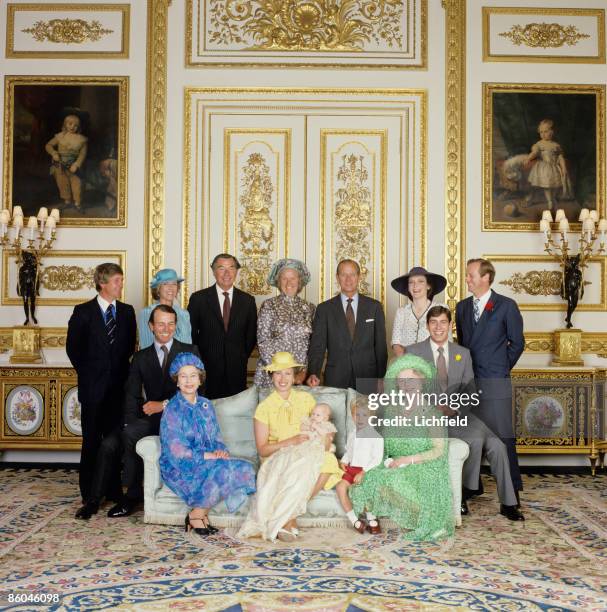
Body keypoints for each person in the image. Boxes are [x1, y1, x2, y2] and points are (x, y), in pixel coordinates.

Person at [407, 305, 524, 521]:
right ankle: (461, 493)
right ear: (427, 326)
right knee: (475, 438)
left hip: (458, 415)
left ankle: (508, 503)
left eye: (443, 322)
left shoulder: (463, 354)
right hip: (428, 418)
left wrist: (457, 408)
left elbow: (470, 390)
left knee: (498, 445)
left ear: (451, 326)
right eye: (433, 323)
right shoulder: (413, 352)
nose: (438, 327)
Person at [238, 352, 343, 542]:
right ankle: (286, 520)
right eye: (278, 373)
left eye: (287, 373)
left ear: (294, 376)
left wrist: (326, 440)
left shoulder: (306, 399)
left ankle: (288, 517)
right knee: (294, 466)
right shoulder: (265, 408)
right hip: (278, 454)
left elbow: (322, 427)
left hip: (306, 451)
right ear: (271, 376)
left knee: (328, 460)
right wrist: (291, 441)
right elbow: (262, 449)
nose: (283, 378)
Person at [107, 304, 200, 518]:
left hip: (181, 418)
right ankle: (132, 495)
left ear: (176, 326)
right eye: (161, 324)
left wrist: (164, 404)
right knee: (130, 432)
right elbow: (131, 394)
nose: (166, 329)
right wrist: (131, 420)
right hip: (154, 419)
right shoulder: (140, 357)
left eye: (170, 324)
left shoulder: (190, 351)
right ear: (151, 326)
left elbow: (198, 390)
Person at [350, 354, 454, 541]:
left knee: (393, 480)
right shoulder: (391, 410)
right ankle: (371, 519)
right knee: (368, 478)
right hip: (394, 462)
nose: (406, 386)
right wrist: (381, 461)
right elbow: (381, 442)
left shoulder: (431, 413)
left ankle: (429, 517)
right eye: (401, 381)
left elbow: (439, 450)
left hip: (422, 464)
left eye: (411, 380)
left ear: (422, 381)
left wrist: (407, 460)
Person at [66, 263, 136, 519]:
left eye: (121, 279)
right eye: (117, 280)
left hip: (119, 389)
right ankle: (89, 494)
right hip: (93, 390)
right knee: (92, 441)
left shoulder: (127, 312)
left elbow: (128, 348)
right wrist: (91, 376)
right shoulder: (83, 312)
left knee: (114, 442)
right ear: (103, 283)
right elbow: (73, 350)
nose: (120, 284)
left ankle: (113, 490)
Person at [159, 352, 256, 536]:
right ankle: (197, 516)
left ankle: (198, 514)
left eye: (193, 375)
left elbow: (216, 437)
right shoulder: (172, 409)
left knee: (245, 468)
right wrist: (207, 456)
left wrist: (220, 451)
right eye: (183, 376)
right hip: (180, 465)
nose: (188, 381)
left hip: (208, 459)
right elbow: (176, 450)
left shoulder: (206, 405)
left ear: (200, 379)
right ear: (177, 381)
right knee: (222, 470)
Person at [455, 258, 525, 500]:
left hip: (495, 383)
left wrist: (500, 370)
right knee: (470, 436)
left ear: (485, 278)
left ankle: (513, 493)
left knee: (503, 437)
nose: (467, 279)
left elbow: (517, 344)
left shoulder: (506, 306)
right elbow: (463, 346)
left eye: (470, 275)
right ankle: (471, 487)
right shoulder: (462, 307)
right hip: (469, 384)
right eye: (467, 275)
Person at [307, 259, 387, 392]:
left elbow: (380, 346)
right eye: (344, 274)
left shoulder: (374, 307)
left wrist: (381, 377)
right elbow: (318, 345)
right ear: (337, 278)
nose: (348, 279)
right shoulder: (324, 309)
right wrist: (313, 372)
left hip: (368, 376)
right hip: (336, 376)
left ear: (359, 277)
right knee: (336, 413)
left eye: (352, 274)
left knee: (366, 413)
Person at [188, 253, 257, 399]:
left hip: (237, 369)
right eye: (221, 268)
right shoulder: (198, 299)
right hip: (207, 368)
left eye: (231, 268)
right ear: (213, 271)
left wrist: (241, 355)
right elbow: (191, 334)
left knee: (234, 412)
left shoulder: (248, 301)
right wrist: (199, 360)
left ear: (236, 271)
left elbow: (251, 335)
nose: (227, 273)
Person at [254, 258, 315, 387]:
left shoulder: (310, 308)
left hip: (301, 376)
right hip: (274, 375)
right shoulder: (269, 305)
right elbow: (263, 342)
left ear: (300, 281)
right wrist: (283, 374)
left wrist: (303, 372)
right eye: (284, 278)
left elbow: (314, 344)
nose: (289, 282)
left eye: (293, 278)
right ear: (278, 281)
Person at [335, 395, 384, 534]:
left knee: (364, 489)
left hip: (367, 470)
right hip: (352, 469)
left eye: (364, 415)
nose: (360, 418)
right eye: (357, 415)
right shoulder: (352, 434)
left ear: (371, 416)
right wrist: (344, 460)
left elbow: (377, 458)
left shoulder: (376, 437)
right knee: (340, 487)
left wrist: (364, 472)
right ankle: (355, 521)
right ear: (352, 415)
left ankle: (372, 519)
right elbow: (348, 451)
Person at [390, 266, 449, 355]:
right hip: (405, 363)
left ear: (428, 285)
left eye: (420, 281)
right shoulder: (401, 312)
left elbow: (447, 341)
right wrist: (408, 363)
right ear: (408, 287)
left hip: (433, 363)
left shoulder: (441, 308)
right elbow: (396, 343)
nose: (415, 286)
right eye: (411, 282)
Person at [138, 269, 192, 349]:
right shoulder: (147, 312)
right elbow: (146, 345)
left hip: (183, 360)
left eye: (174, 284)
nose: (171, 288)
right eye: (166, 284)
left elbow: (188, 344)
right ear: (158, 289)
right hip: (157, 360)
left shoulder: (184, 314)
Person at [525, 118, 573, 209]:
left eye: (545, 131)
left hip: (554, 168)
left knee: (554, 185)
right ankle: (549, 200)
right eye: (541, 132)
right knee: (547, 186)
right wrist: (529, 158)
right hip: (543, 168)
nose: (543, 134)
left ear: (552, 132)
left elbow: (560, 157)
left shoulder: (556, 145)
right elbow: (534, 152)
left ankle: (553, 197)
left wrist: (564, 168)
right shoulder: (539, 144)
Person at [45, 114, 87, 211]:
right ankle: (67, 201)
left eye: (76, 125)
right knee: (63, 183)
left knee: (77, 184)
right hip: (60, 165)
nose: (72, 127)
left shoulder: (82, 139)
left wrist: (77, 164)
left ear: (79, 127)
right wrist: (54, 153)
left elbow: (82, 154)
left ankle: (77, 203)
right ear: (65, 124)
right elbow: (48, 145)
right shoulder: (60, 136)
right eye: (70, 124)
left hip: (74, 166)